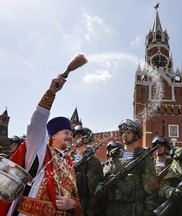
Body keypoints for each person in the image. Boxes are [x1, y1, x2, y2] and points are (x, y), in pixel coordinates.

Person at [0, 73, 80, 215]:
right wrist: (51, 93)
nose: (70, 136)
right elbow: (36, 125)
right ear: (53, 135)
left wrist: (72, 203)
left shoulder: (70, 164)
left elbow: (74, 196)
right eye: (66, 133)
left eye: (71, 134)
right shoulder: (40, 152)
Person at [99, 119, 159, 216]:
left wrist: (149, 211)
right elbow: (104, 176)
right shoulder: (114, 156)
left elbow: (151, 189)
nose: (124, 135)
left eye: (128, 132)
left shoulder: (143, 157)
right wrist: (100, 188)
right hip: (113, 208)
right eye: (123, 132)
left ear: (135, 135)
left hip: (135, 209)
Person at [72, 126, 104, 216]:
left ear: (86, 139)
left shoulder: (92, 160)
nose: (75, 139)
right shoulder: (69, 158)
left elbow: (94, 190)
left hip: (83, 206)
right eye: (75, 136)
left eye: (79, 136)